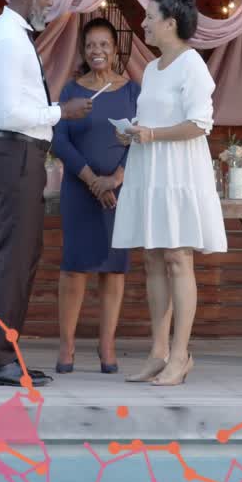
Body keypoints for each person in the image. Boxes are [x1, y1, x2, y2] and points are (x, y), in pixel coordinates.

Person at [0, 0, 93, 388]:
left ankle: (7, 354)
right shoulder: (8, 39)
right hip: (15, 152)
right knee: (14, 257)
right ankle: (1, 360)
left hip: (24, 154)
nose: (50, 1)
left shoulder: (13, 36)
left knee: (24, 256)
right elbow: (10, 111)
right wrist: (60, 112)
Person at [112, 0, 226, 387]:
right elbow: (157, 119)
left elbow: (199, 123)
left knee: (178, 256)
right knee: (153, 258)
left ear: (170, 23)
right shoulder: (154, 69)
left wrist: (153, 136)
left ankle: (181, 355)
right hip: (151, 169)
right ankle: (158, 352)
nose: (142, 23)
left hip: (178, 170)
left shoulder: (192, 64)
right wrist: (135, 132)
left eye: (149, 17)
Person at [51, 18, 139, 374]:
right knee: (75, 268)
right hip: (79, 188)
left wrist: (116, 179)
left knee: (114, 270)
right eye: (90, 46)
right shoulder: (72, 92)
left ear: (115, 49)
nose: (97, 51)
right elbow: (59, 140)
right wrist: (92, 180)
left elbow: (141, 140)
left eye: (104, 45)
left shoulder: (132, 91)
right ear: (83, 52)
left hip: (120, 192)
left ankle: (107, 345)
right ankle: (67, 346)